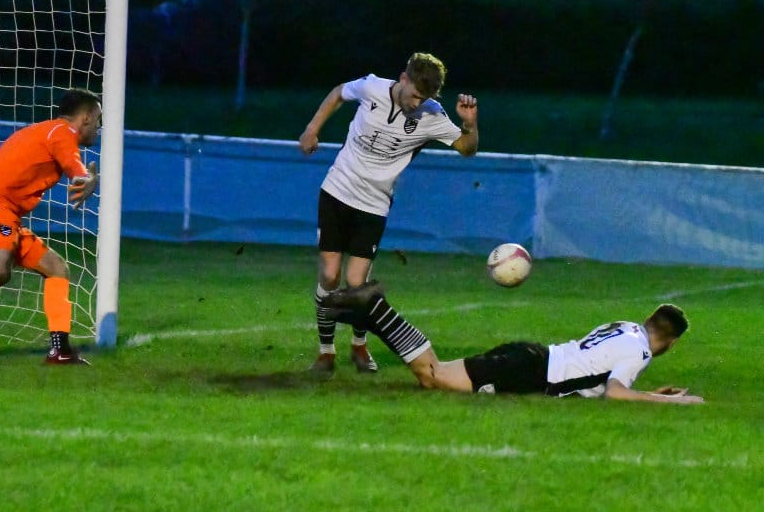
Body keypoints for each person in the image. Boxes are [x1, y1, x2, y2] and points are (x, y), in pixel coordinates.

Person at [298, 52, 479, 373]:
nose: (417, 103)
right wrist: (312, 129)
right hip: (337, 191)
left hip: (374, 205)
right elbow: (339, 92)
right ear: (403, 78)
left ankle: (359, 344)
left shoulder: (431, 114)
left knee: (357, 282)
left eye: (424, 99)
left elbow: (467, 149)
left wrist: (469, 124)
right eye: (414, 95)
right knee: (329, 275)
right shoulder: (372, 87)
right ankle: (326, 351)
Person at [321, 280, 705, 404]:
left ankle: (368, 314)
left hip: (532, 354)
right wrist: (671, 401)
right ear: (670, 342)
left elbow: (600, 376)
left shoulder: (626, 328)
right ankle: (376, 308)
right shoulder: (640, 351)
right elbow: (614, 393)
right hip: (530, 372)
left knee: (436, 373)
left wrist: (648, 392)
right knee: (431, 376)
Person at [0, 88, 101, 364]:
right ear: (85, 117)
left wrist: (84, 178)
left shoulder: (48, 132)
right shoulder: (61, 132)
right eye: (98, 120)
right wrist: (87, 178)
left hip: (3, 213)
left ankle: (60, 350)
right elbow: (74, 166)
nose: (98, 127)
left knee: (56, 268)